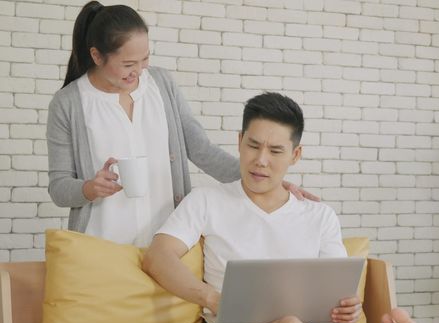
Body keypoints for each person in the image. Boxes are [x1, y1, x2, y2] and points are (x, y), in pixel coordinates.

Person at [142, 92, 421, 323]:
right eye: (253, 146)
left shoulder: (319, 215)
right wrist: (212, 298)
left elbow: (338, 293)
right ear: (239, 142)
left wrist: (349, 308)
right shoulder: (207, 200)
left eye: (275, 151)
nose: (261, 160)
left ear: (295, 155)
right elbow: (158, 257)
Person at [46, 1, 314, 247]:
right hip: (100, 246)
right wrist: (89, 188)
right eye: (128, 63)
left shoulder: (161, 85)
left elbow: (201, 149)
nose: (139, 71)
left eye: (145, 59)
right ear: (96, 55)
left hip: (166, 244)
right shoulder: (68, 103)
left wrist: (267, 181)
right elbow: (59, 187)